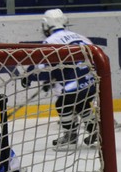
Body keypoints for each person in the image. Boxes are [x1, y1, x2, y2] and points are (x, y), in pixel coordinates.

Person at [37, 8, 98, 150]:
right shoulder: (80, 36)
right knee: (80, 103)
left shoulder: (51, 41)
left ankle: (70, 134)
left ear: (46, 25)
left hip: (75, 84)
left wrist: (31, 78)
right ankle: (94, 129)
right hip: (93, 81)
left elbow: (43, 68)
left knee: (62, 103)